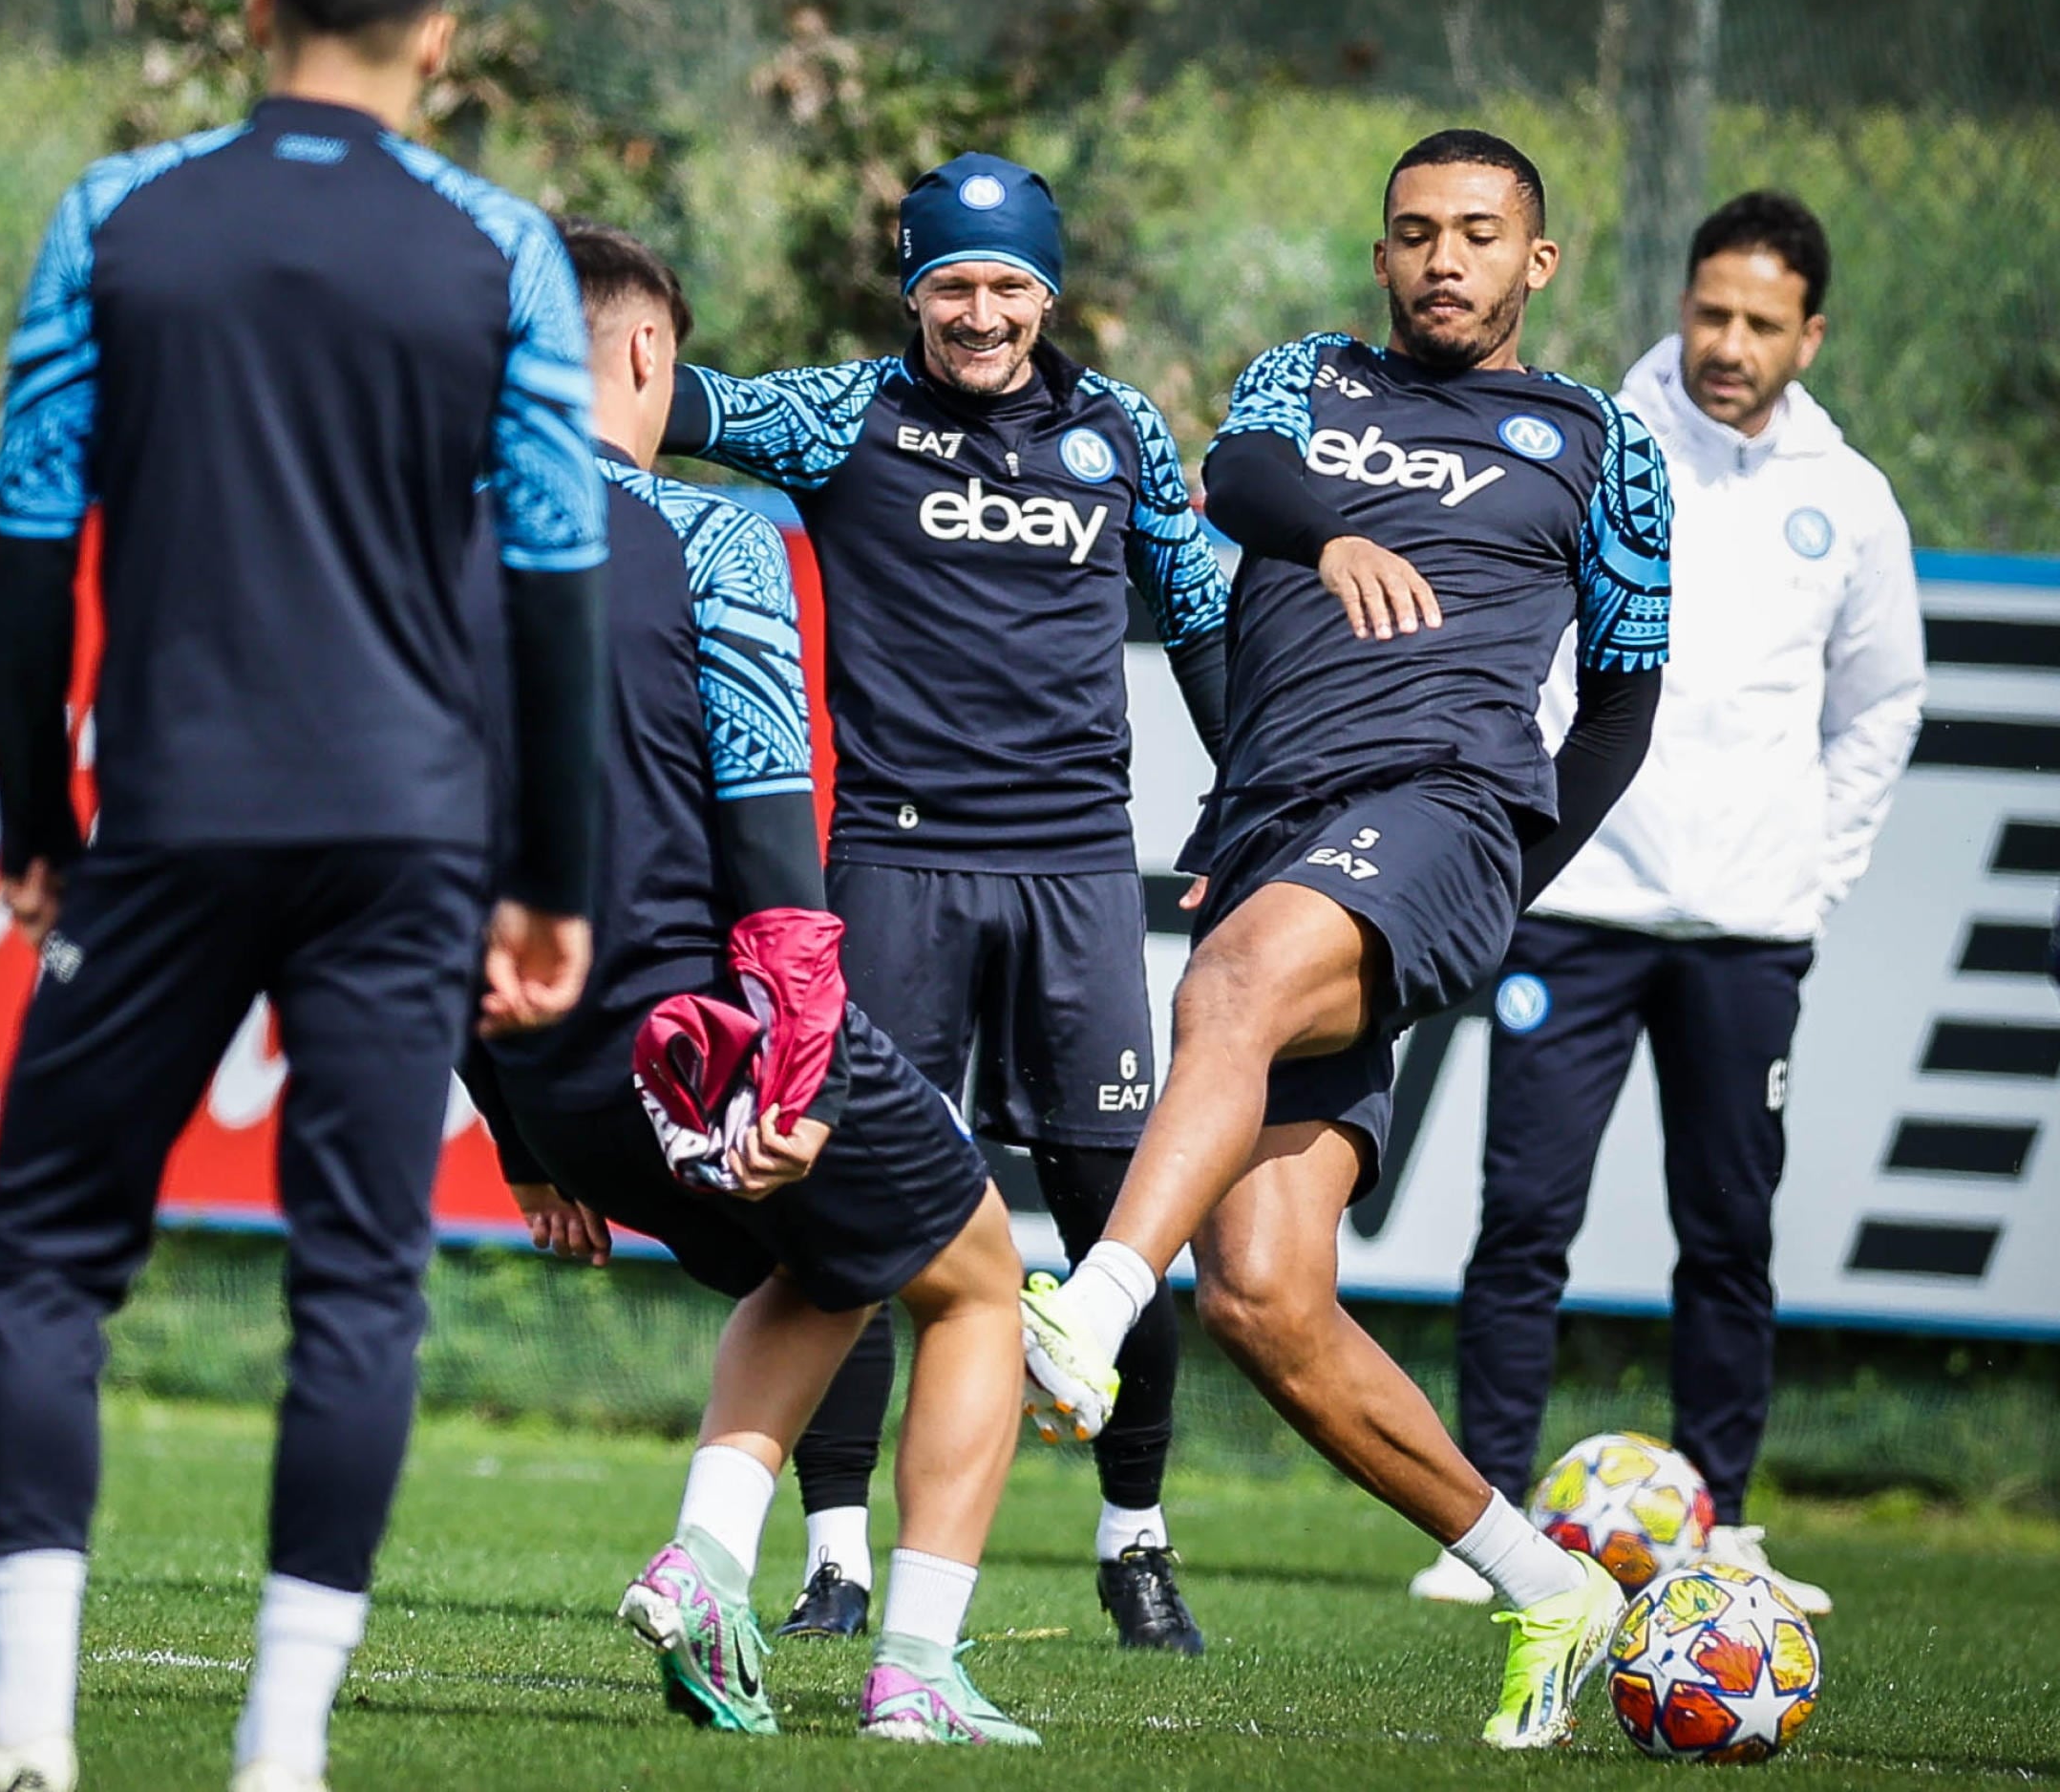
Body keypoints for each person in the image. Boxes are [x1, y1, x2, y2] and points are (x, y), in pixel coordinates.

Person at [0, 0, 606, 1792]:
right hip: (414, 832)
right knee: (358, 1278)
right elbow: (557, 585)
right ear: (439, 35)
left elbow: (32, 535)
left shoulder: (118, 217)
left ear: (261, 12)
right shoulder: (502, 247)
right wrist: (553, 878)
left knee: (45, 1257)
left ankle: (26, 1725)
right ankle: (281, 1752)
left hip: (173, 815)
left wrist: (36, 810)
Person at [1017, 129, 1675, 1749]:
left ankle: (1089, 1303)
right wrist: (1333, 535)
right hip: (1280, 825)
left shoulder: (1599, 439)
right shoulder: (1309, 377)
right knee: (1263, 1298)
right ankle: (1550, 1586)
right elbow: (1233, 481)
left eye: (1477, 234)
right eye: (1413, 234)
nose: (1442, 259)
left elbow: (1628, 696)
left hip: (1446, 809)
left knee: (1232, 986)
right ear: (1382, 257)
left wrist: (1513, 864)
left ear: (1538, 262)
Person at [465, 218, 1037, 1745]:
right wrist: (791, 1076)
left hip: (552, 1075)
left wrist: (522, 1142)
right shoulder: (708, 538)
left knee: (839, 1259)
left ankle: (711, 1567)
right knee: (980, 1281)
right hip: (713, 1042)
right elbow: (773, 844)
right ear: (650, 350)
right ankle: (915, 1676)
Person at [658, 155, 1230, 1653]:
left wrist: (1250, 805)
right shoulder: (846, 413)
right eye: (951, 286)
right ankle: (838, 1556)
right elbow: (675, 409)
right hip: (895, 871)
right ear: (913, 291)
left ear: (1049, 288)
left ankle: (1136, 1541)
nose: (981, 314)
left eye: (1007, 285)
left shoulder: (1120, 435)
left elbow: (1209, 624)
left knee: (1114, 1220)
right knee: (860, 1212)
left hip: (1077, 876)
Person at [1410, 191, 1922, 1618]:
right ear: (1680, 305)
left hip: (1748, 932)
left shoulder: (1852, 502)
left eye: (1762, 323)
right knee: (1523, 1220)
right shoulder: (1593, 445)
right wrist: (1523, 855)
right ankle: (1488, 1519)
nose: (1728, 344)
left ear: (1808, 336)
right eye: (1712, 312)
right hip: (1574, 916)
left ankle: (1725, 1523)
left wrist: (1811, 879)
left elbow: (1881, 707)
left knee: (1727, 1231)